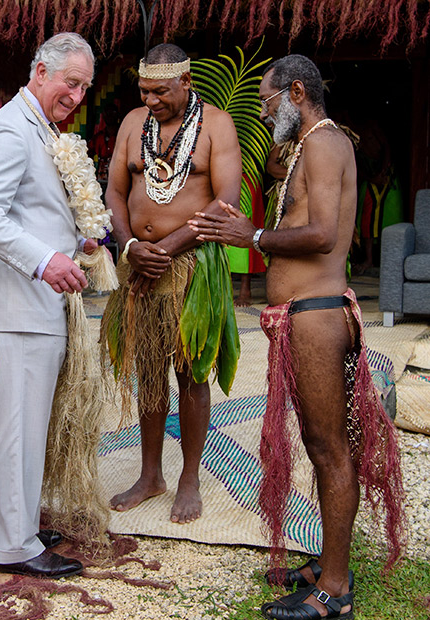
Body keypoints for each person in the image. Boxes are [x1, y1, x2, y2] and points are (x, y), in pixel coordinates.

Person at [188, 54, 405, 620]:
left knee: (331, 449)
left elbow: (325, 234)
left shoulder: (327, 142)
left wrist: (252, 234)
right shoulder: (309, 146)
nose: (263, 110)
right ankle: (328, 563)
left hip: (319, 314)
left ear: (297, 91)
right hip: (303, 314)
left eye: (266, 99)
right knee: (319, 442)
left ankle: (333, 589)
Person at [0, 32, 100, 579]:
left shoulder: (40, 126)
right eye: (71, 83)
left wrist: (74, 239)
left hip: (36, 303)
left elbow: (29, 208)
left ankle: (8, 527)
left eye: (85, 86)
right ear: (40, 72)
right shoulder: (10, 129)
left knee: (18, 424)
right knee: (21, 425)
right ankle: (16, 547)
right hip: (20, 305)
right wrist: (45, 260)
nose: (77, 96)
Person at [101, 44, 241, 522]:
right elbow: (115, 191)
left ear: (186, 82)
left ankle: (189, 478)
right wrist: (129, 247)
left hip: (190, 268)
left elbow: (225, 201)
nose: (151, 99)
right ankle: (150, 474)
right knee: (148, 371)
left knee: (191, 371)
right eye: (144, 90)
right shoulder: (131, 124)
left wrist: (168, 248)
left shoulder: (216, 126)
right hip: (138, 266)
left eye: (161, 91)